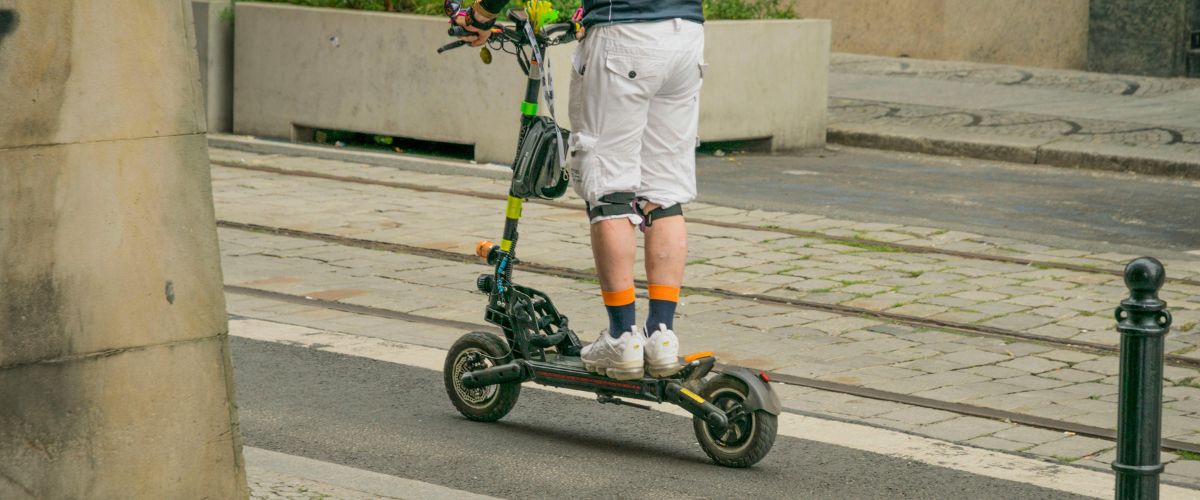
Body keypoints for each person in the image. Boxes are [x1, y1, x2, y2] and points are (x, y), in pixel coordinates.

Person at [458, 0, 705, 381]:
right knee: (664, 194)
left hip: (624, 34)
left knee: (610, 191)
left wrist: (483, 14)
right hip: (686, 34)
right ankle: (661, 335)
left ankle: (623, 337)